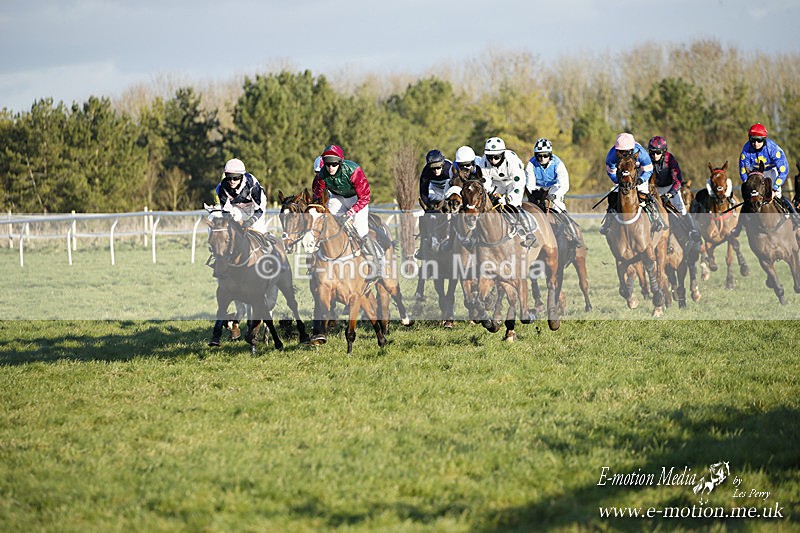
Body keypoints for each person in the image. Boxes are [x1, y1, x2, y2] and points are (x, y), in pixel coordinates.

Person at [311, 144, 384, 277]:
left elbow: (365, 197)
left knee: (360, 229)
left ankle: (377, 265)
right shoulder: (322, 175)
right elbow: (317, 195)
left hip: (357, 199)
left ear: (340, 162)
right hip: (337, 198)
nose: (330, 167)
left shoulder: (353, 170)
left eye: (334, 164)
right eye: (327, 164)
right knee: (328, 223)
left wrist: (351, 212)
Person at [731, 123, 799, 236]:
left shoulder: (773, 149)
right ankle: (738, 227)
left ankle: (795, 217)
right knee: (750, 198)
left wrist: (775, 187)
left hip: (771, 171)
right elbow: (743, 170)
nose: (755, 143)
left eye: (759, 140)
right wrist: (748, 185)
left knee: (777, 195)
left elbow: (784, 170)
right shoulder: (746, 150)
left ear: (764, 139)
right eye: (752, 140)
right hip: (754, 173)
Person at [599, 132, 666, 235]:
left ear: (632, 149)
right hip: (622, 176)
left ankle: (656, 216)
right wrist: (618, 181)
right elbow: (611, 172)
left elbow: (648, 170)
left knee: (644, 193)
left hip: (639, 172)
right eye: (621, 151)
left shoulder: (642, 154)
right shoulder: (611, 156)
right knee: (613, 193)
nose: (624, 154)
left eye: (627, 151)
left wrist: (640, 180)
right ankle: (609, 218)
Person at [477, 137, 536, 246]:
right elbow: (485, 181)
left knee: (513, 206)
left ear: (503, 154)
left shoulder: (512, 160)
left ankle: (529, 234)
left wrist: (508, 198)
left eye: (496, 157)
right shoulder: (483, 161)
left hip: (512, 183)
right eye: (490, 157)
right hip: (496, 184)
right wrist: (493, 194)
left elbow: (518, 183)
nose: (493, 160)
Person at [524, 138, 581, 247]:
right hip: (538, 188)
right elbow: (530, 184)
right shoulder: (531, 164)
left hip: (554, 187)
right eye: (539, 156)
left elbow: (564, 184)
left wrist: (554, 194)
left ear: (550, 155)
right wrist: (536, 197)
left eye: (545, 155)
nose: (542, 158)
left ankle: (573, 234)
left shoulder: (558, 164)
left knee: (559, 205)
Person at [647, 136, 701, 241]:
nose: (654, 155)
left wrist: (671, 193)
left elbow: (677, 179)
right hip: (654, 189)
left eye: (658, 152)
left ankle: (691, 230)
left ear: (664, 151)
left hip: (670, 187)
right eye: (652, 152)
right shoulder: (647, 159)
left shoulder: (670, 159)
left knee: (681, 208)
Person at [214, 157, 272, 249]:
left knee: (257, 228)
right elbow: (226, 211)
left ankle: (268, 247)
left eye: (236, 177)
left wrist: (250, 222)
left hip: (255, 207)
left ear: (242, 176)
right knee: (231, 227)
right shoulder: (221, 188)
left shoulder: (252, 184)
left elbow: (259, 210)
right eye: (229, 177)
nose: (232, 181)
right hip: (238, 207)